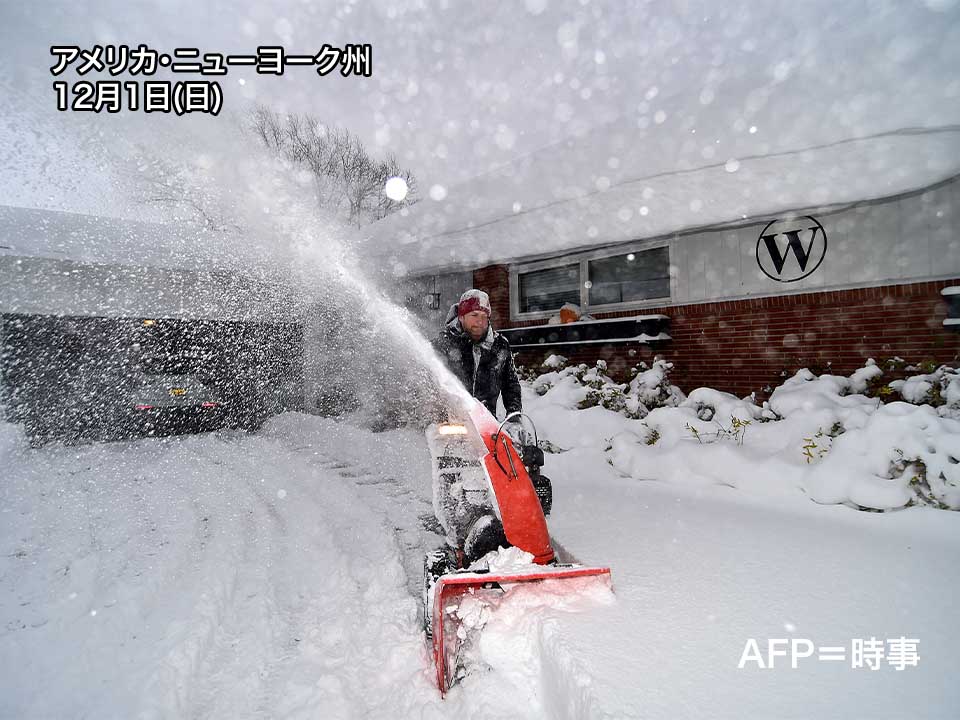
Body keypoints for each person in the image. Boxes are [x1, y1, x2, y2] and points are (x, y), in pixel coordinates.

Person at [433, 288, 522, 419]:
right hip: (449, 423)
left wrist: (514, 416)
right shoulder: (443, 345)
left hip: (487, 424)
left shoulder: (499, 346)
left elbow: (511, 384)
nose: (480, 321)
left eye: (484, 316)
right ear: (461, 317)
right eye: (474, 315)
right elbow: (428, 383)